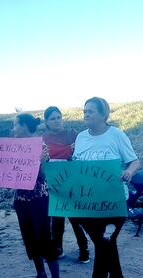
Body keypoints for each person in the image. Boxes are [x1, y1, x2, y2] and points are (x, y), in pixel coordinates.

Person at [71, 97, 140, 278]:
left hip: (114, 202)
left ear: (103, 114)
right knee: (105, 244)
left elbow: (135, 161)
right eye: (84, 110)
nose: (86, 114)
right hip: (87, 203)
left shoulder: (116, 135)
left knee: (103, 243)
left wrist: (128, 172)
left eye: (91, 111)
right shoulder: (81, 138)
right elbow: (76, 166)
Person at [12, 113, 65, 278]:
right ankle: (41, 274)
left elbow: (43, 176)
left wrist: (41, 161)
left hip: (39, 198)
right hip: (21, 199)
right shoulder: (11, 147)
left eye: (15, 125)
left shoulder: (40, 146)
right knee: (29, 237)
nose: (13, 129)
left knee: (43, 238)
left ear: (24, 127)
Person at [42, 106, 90, 264]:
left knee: (76, 217)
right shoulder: (43, 139)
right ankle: (58, 248)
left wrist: (75, 152)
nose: (57, 121)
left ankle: (84, 249)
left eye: (58, 117)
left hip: (73, 181)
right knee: (57, 217)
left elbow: (85, 155)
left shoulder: (73, 134)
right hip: (54, 182)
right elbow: (41, 161)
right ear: (47, 122)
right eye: (52, 118)